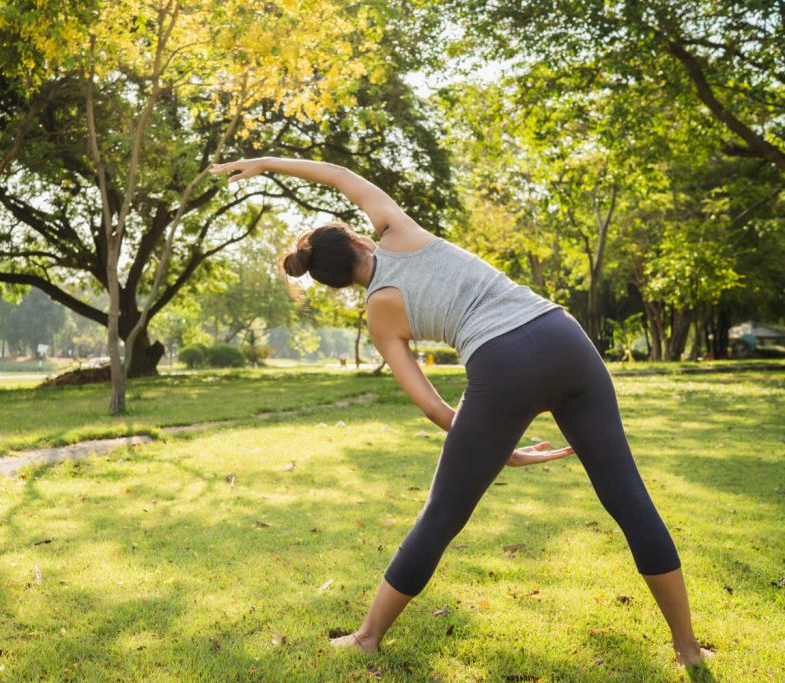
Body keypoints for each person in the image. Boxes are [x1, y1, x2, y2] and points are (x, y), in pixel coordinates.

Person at [209, 156, 714, 668]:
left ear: (340, 283)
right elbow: (338, 176)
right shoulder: (397, 229)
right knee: (628, 499)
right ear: (359, 240)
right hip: (563, 337)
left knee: (443, 515)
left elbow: (430, 402)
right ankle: (688, 649)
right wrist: (263, 163)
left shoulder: (381, 312)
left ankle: (366, 637)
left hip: (501, 366)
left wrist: (491, 443)